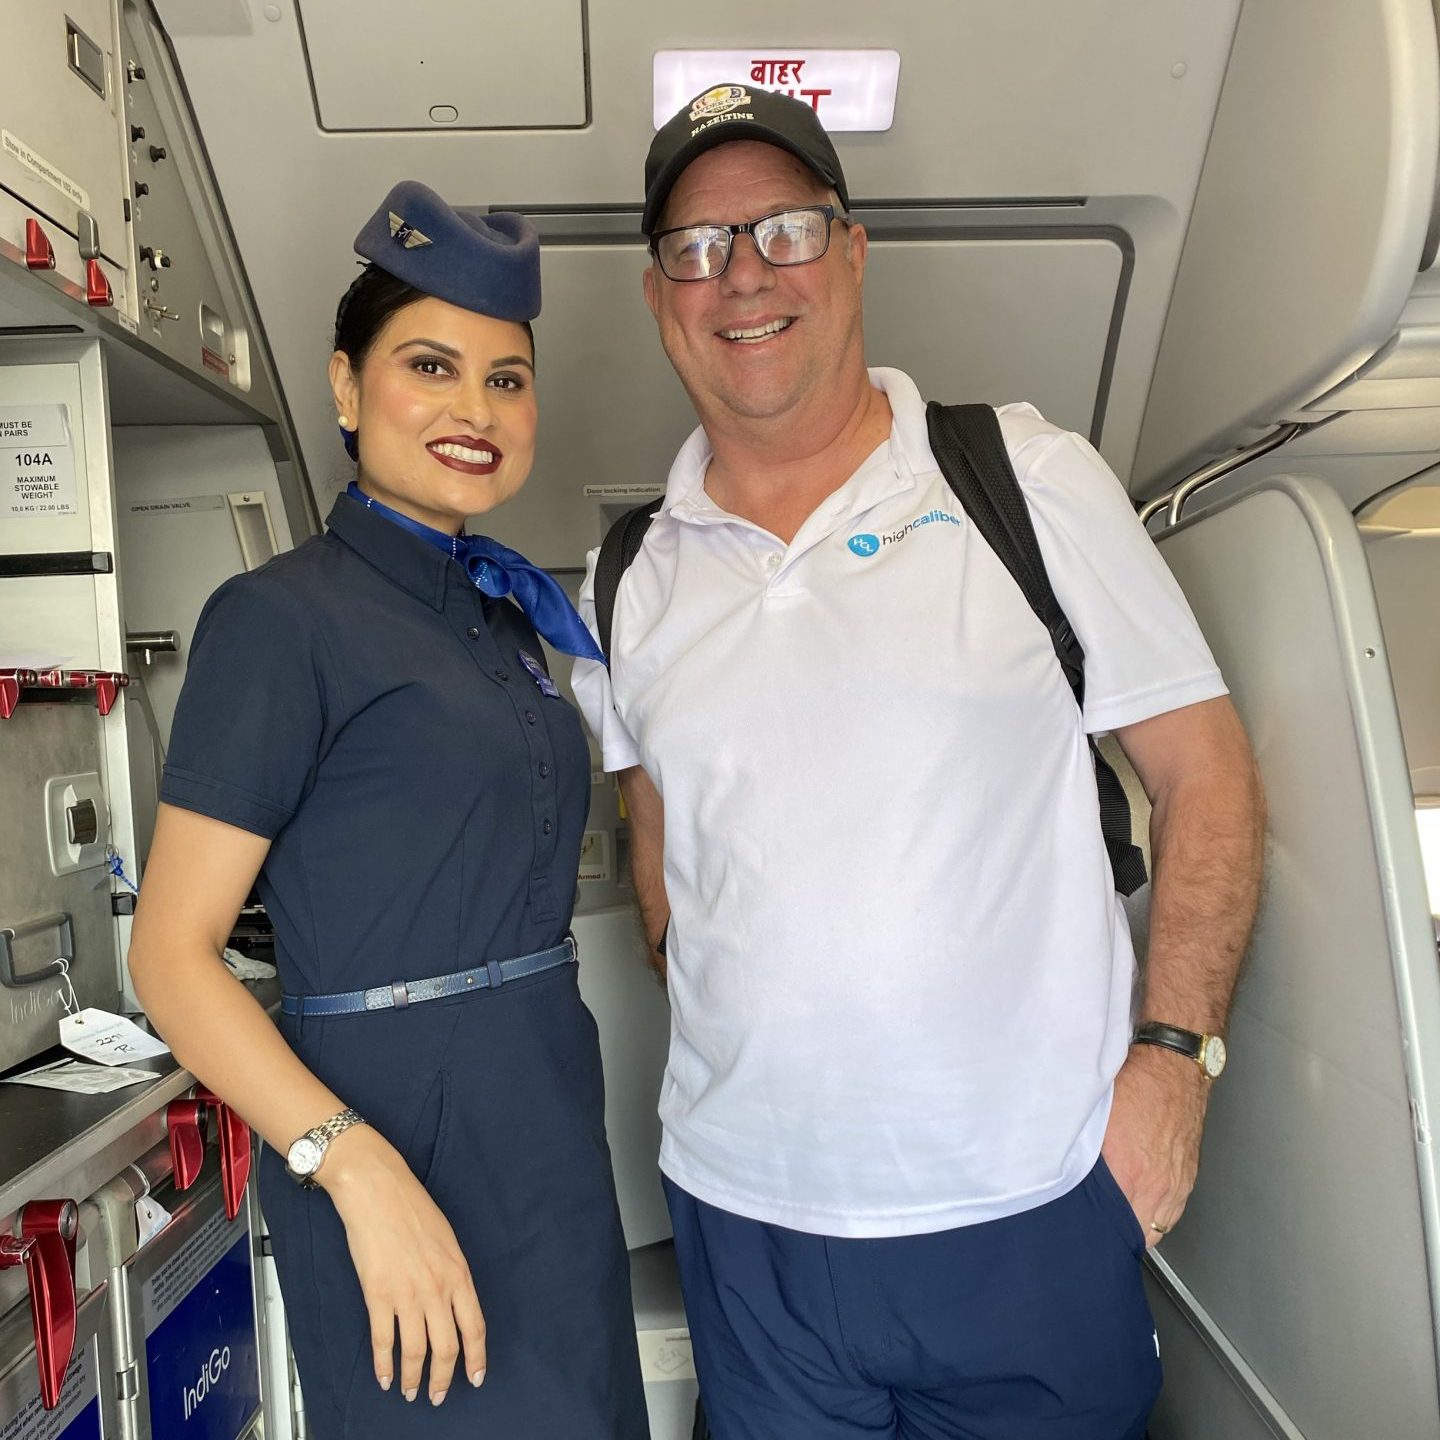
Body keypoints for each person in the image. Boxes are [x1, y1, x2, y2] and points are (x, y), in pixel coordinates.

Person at [571, 87, 1266, 1440]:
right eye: (698, 250)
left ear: (854, 251)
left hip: (1029, 1208)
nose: (744, 276)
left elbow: (1210, 780)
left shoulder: (1025, 479)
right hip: (748, 1225)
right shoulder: (623, 576)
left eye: (784, 229)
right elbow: (664, 870)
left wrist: (1174, 1068)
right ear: (662, 299)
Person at [128, 181, 649, 1440]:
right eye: (432, 367)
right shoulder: (279, 620)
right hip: (391, 1149)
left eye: (507, 379)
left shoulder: (504, 617)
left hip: (547, 1148)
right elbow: (169, 956)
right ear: (349, 389)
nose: (476, 410)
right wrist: (357, 1173)